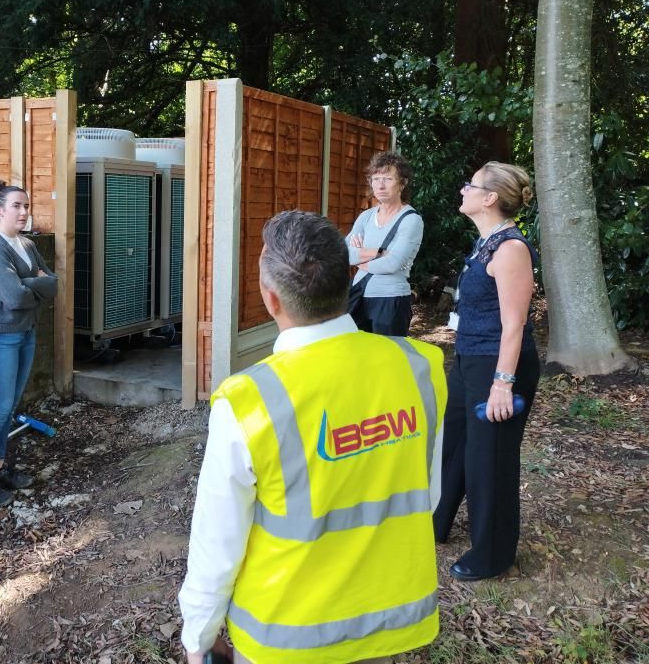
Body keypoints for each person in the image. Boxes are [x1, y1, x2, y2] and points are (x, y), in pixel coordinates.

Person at [178, 211, 447, 664]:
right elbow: (428, 492)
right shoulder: (421, 365)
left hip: (284, 635)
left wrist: (198, 636)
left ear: (271, 299)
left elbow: (217, 543)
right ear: (349, 278)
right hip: (388, 621)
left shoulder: (247, 401)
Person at [433, 162, 540, 582]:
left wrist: (502, 384)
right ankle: (436, 522)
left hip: (499, 366)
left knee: (488, 458)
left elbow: (515, 324)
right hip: (468, 359)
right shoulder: (485, 243)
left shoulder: (510, 248)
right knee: (455, 443)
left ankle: (493, 553)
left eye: (470, 185)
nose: (464, 190)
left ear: (490, 198)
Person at [0, 180, 58, 507]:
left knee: (12, 404)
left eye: (26, 205)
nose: (23, 211)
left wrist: (29, 284)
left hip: (25, 331)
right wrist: (33, 285)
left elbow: (53, 284)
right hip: (0, 335)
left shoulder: (27, 244)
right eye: (16, 206)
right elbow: (12, 296)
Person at [345, 151, 424, 336]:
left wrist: (360, 258)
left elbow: (392, 264)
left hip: (391, 300)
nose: (380, 185)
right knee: (358, 357)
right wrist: (380, 252)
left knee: (389, 357)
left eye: (388, 179)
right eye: (376, 178)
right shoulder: (366, 217)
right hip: (359, 297)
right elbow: (344, 253)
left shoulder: (411, 220)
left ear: (402, 184)